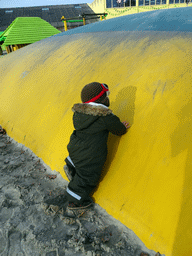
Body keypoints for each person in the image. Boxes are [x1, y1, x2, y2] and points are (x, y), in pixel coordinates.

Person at [64, 82, 130, 211]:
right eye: (107, 95)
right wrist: (123, 126)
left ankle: (72, 166)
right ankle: (74, 200)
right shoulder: (104, 116)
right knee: (88, 177)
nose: (108, 97)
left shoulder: (78, 114)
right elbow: (118, 130)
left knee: (80, 165)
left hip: (75, 147)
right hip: (90, 155)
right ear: (101, 99)